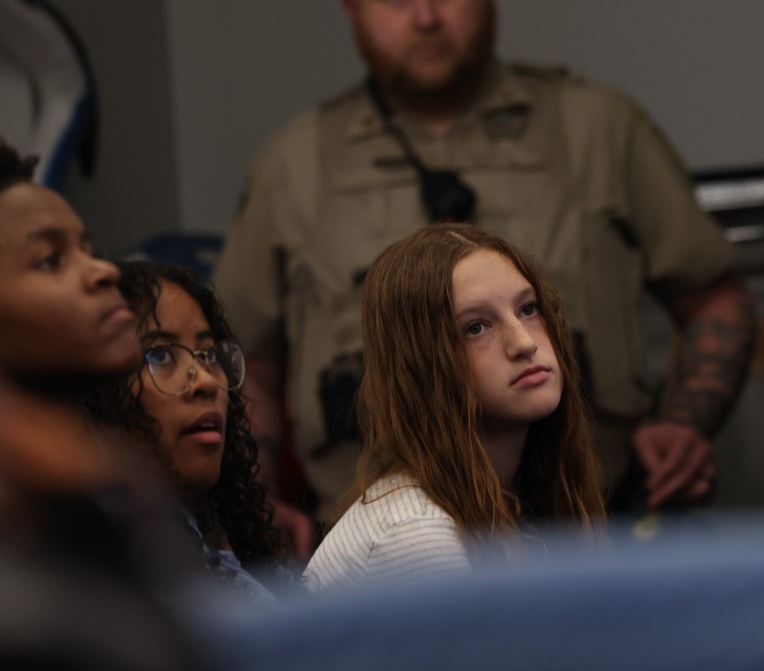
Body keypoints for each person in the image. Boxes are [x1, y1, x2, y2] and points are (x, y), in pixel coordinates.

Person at [213, 0, 756, 524]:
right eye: (395, 1)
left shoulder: (597, 126)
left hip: (592, 523)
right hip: (378, 541)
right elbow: (245, 363)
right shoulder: (294, 162)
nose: (425, 18)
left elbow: (716, 297)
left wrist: (687, 427)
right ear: (353, 10)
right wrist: (256, 509)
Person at [303, 224, 604, 591]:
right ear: (422, 366)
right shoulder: (415, 536)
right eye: (476, 327)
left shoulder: (521, 495)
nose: (524, 343)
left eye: (528, 308)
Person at [84, 261, 293, 605]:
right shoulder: (109, 580)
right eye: (159, 354)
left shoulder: (221, 549)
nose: (207, 381)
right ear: (98, 391)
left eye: (209, 354)